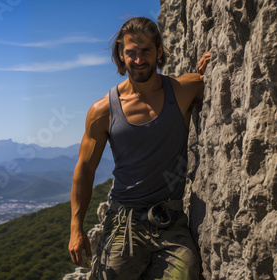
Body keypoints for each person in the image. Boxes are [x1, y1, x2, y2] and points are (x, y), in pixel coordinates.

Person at [68, 17, 211, 279]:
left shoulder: (183, 90)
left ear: (158, 51)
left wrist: (207, 75)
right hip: (123, 222)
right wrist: (76, 227)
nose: (138, 59)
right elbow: (86, 169)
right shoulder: (102, 111)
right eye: (130, 52)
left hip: (170, 220)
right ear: (120, 57)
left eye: (145, 50)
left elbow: (211, 82)